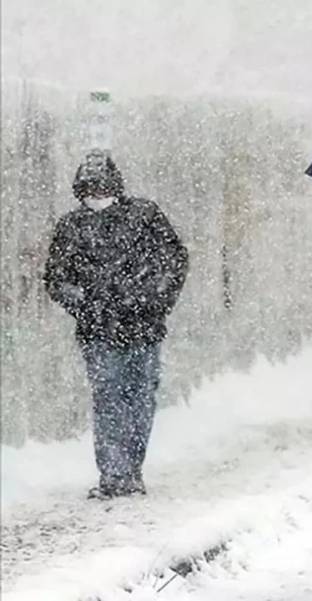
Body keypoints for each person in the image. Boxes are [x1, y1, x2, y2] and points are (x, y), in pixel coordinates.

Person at [44, 150, 188, 499]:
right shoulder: (71, 227)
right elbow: (56, 279)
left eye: (101, 187)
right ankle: (113, 474)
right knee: (109, 399)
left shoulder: (145, 215)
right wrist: (88, 303)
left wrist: (151, 298)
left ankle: (130, 470)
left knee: (138, 401)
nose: (96, 195)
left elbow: (174, 262)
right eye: (89, 189)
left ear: (115, 185)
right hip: (99, 331)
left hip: (143, 327)